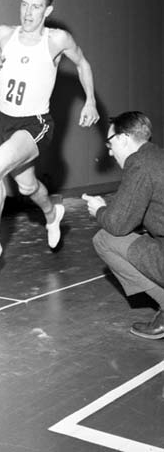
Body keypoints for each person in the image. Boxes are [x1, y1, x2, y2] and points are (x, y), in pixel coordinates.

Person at [0, 0, 99, 282]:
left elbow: (83, 64)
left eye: (36, 6)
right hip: (4, 123)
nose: (28, 12)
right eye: (24, 4)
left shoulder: (56, 40)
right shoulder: (3, 35)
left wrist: (90, 101)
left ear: (47, 10)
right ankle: (52, 213)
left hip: (36, 123)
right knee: (27, 188)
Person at [84, 111, 164, 340]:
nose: (110, 152)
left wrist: (99, 209)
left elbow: (118, 225)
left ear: (123, 138)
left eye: (110, 144)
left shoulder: (139, 163)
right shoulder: (158, 156)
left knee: (104, 239)